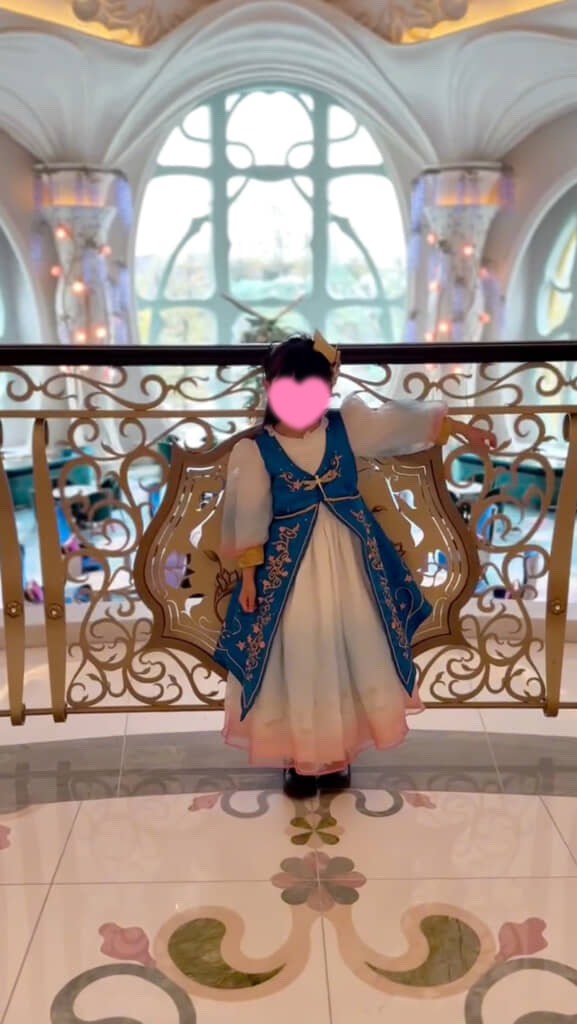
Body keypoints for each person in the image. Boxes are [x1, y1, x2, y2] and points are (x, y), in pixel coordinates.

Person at [213, 333, 495, 799]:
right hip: (289, 571)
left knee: (352, 645)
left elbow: (402, 423)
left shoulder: (347, 427)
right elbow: (250, 513)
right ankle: (300, 754)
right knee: (298, 650)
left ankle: (338, 751)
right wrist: (248, 575)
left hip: (353, 560)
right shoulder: (257, 450)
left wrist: (463, 429)